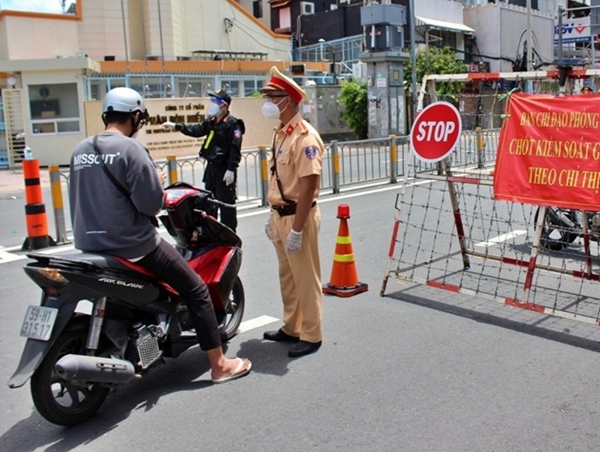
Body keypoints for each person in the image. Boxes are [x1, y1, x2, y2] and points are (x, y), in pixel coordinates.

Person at [69, 87, 251, 384]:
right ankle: (219, 365)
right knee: (195, 289)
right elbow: (151, 204)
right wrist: (156, 181)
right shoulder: (131, 150)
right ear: (136, 116)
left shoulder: (80, 150)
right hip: (132, 245)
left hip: (89, 245)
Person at [260, 66, 325, 358]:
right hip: (280, 216)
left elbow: (309, 185)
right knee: (287, 276)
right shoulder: (280, 134)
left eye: (272, 97)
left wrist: (297, 229)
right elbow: (279, 178)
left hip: (299, 217)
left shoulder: (304, 138)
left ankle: (312, 334)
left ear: (288, 100)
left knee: (305, 276)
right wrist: (272, 214)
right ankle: (292, 327)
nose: (268, 103)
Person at [161, 89, 244, 232]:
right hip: (211, 168)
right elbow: (196, 130)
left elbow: (235, 148)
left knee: (226, 205)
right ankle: (211, 233)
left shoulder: (234, 124)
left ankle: (230, 236)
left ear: (224, 105)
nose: (211, 104)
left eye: (215, 102)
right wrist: (176, 126)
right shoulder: (211, 121)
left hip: (224, 170)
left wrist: (231, 169)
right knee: (209, 203)